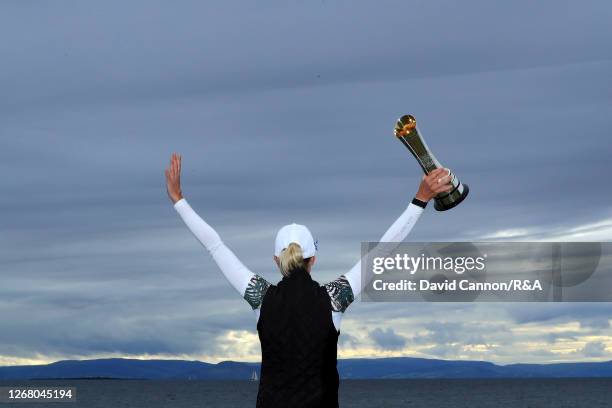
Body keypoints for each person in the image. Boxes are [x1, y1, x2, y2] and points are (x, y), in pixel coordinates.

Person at [164, 152, 452, 408]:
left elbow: (215, 246)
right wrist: (421, 198)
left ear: (276, 261)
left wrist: (179, 200)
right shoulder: (334, 299)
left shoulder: (260, 297)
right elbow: (384, 250)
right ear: (313, 259)